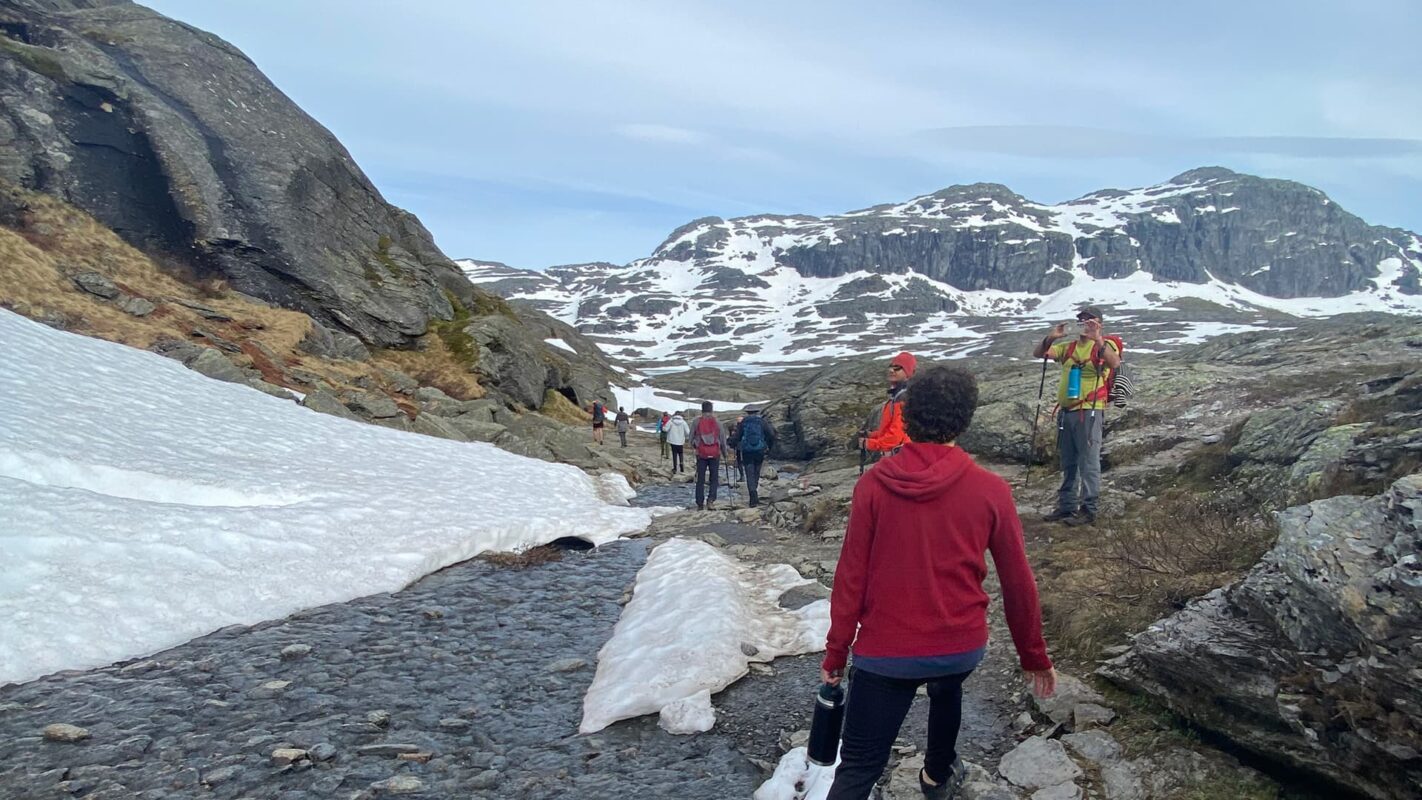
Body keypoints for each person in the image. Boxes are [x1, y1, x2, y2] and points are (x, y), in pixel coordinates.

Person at [823, 366, 1056, 800]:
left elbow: (850, 578)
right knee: (947, 684)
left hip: (887, 654)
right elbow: (1019, 581)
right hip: (960, 647)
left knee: (858, 767)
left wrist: (836, 653)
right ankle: (935, 776)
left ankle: (925, 773)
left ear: (907, 416)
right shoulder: (992, 490)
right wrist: (1033, 655)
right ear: (966, 418)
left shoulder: (873, 485)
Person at [1032, 305, 1121, 526]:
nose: (1084, 323)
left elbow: (1115, 363)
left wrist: (1098, 338)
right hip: (1066, 413)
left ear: (1099, 323)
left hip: (1090, 411)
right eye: (1081, 319)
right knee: (1068, 460)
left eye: (1090, 320)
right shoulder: (1068, 347)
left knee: (1088, 460)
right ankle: (1067, 506)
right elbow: (1039, 353)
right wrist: (1051, 338)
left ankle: (1088, 509)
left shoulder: (1104, 346)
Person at [860, 352, 915, 462]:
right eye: (891, 367)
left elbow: (896, 436)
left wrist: (869, 443)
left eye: (897, 368)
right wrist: (873, 435)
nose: (891, 370)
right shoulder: (898, 396)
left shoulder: (903, 398)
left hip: (902, 459)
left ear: (908, 372)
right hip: (901, 457)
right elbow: (892, 428)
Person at [728, 405, 776, 507]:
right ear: (756, 412)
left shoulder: (743, 422)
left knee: (749, 473)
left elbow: (737, 436)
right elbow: (771, 434)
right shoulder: (762, 422)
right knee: (757, 472)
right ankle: (755, 495)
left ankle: (752, 498)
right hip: (759, 450)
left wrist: (732, 444)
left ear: (748, 412)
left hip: (747, 451)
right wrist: (769, 447)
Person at [692, 400, 728, 510]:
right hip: (715, 453)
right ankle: (711, 500)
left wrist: (696, 447)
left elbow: (691, 438)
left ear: (702, 409)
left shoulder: (696, 422)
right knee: (714, 478)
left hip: (701, 454)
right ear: (711, 410)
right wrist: (725, 453)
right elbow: (722, 439)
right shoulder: (717, 422)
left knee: (700, 479)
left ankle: (699, 503)